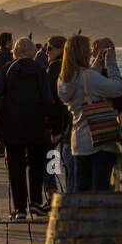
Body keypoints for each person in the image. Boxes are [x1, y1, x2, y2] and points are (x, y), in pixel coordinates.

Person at [0, 38, 63, 219]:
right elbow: (48, 100)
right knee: (36, 165)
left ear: (15, 51)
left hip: (11, 127)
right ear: (32, 52)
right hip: (36, 127)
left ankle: (20, 209)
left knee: (16, 167)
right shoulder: (39, 70)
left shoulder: (8, 69)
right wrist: (55, 125)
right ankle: (35, 202)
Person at [56, 34, 122, 191]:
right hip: (99, 141)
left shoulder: (63, 80)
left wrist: (97, 64)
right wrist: (111, 63)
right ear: (82, 52)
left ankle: (82, 215)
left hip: (78, 143)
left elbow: (84, 81)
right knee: (100, 190)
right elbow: (118, 88)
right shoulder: (88, 77)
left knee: (82, 190)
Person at [43, 35, 70, 194]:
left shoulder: (54, 68)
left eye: (49, 48)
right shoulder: (71, 66)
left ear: (61, 49)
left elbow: (51, 98)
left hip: (56, 122)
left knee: (50, 156)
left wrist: (54, 127)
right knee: (67, 160)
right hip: (70, 120)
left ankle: (52, 191)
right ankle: (70, 193)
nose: (46, 51)